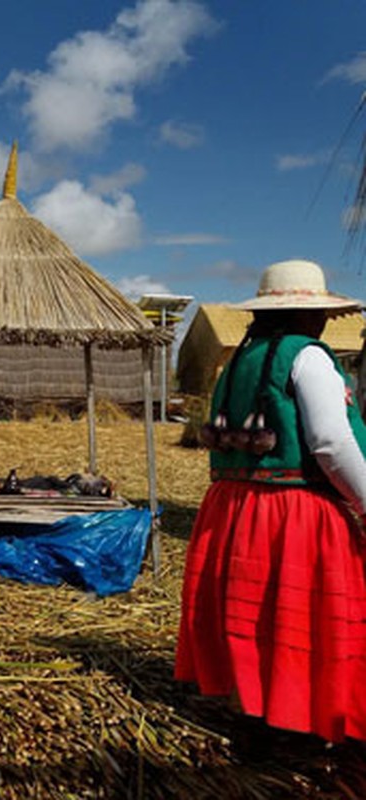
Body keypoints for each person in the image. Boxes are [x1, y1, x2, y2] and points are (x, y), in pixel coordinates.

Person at [176, 259, 366, 743]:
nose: (323, 322)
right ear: (306, 315)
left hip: (233, 506)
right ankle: (298, 716)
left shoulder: (242, 357)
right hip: (293, 511)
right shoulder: (309, 356)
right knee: (298, 615)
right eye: (319, 313)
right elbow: (331, 444)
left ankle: (255, 707)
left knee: (256, 613)